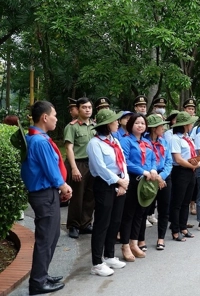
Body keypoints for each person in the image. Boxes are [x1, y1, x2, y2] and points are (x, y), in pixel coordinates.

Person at [21, 101, 72, 295]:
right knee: (46, 237)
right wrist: (64, 186)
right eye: (55, 115)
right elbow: (51, 170)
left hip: (45, 193)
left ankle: (42, 274)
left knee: (52, 235)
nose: (56, 119)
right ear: (44, 117)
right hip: (44, 193)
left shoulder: (37, 137)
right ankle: (38, 282)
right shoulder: (40, 141)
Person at [86, 109, 129, 276]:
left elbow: (122, 161)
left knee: (115, 221)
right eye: (114, 121)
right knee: (102, 223)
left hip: (120, 183)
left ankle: (109, 255)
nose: (117, 122)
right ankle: (97, 262)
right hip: (104, 185)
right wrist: (118, 181)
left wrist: (124, 181)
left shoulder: (115, 141)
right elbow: (100, 168)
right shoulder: (94, 144)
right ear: (106, 125)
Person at [119, 113, 157, 261]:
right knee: (129, 214)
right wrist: (143, 171)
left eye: (142, 123)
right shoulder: (126, 141)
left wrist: (153, 169)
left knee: (140, 214)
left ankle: (134, 243)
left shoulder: (147, 142)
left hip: (146, 182)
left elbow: (153, 158)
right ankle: (125, 245)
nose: (140, 125)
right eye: (137, 123)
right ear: (131, 125)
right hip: (133, 180)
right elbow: (125, 162)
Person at [64, 97, 96, 239]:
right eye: (84, 107)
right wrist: (74, 168)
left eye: (89, 107)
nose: (87, 109)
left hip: (93, 164)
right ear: (78, 109)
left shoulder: (95, 126)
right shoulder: (72, 126)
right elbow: (69, 148)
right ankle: (74, 225)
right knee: (77, 196)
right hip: (78, 163)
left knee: (90, 195)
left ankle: (86, 223)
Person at [169, 111, 200, 241]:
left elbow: (193, 154)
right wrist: (192, 165)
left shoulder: (188, 138)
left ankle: (183, 227)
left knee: (186, 201)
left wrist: (197, 162)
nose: (192, 125)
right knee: (177, 202)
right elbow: (178, 159)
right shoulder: (175, 139)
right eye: (190, 123)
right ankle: (175, 230)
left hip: (190, 171)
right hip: (180, 171)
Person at [145, 115, 172, 250]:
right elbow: (146, 161)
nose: (164, 128)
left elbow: (169, 161)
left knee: (164, 209)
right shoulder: (144, 141)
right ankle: (140, 240)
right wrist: (157, 177)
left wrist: (162, 176)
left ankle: (161, 238)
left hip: (164, 177)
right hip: (149, 177)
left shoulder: (163, 142)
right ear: (154, 128)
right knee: (144, 209)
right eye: (161, 126)